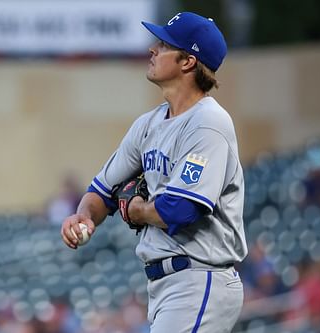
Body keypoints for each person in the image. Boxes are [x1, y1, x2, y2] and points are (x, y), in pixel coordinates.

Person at [61, 12, 247, 333]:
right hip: (167, 285)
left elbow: (181, 209)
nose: (153, 49)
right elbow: (102, 190)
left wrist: (136, 210)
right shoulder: (149, 124)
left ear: (188, 61)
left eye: (164, 44)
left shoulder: (209, 123)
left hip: (200, 278)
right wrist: (84, 216)